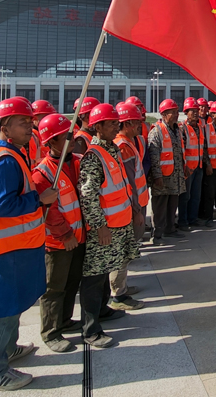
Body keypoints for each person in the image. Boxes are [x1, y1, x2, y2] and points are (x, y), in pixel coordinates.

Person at [0, 97, 54, 392]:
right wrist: (38, 199)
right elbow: (0, 206)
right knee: (2, 311)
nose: (30, 127)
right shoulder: (5, 159)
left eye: (30, 122)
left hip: (18, 246)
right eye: (23, 122)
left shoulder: (14, 153)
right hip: (4, 251)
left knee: (14, 305)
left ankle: (9, 350)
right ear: (5, 126)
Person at [78, 103, 141, 348]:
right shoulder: (93, 156)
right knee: (94, 278)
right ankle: (91, 329)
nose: (117, 125)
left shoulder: (112, 149)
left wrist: (134, 209)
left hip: (119, 225)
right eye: (112, 123)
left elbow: (122, 184)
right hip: (104, 230)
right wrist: (99, 226)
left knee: (106, 272)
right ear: (98, 127)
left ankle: (103, 310)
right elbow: (88, 195)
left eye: (117, 122)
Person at [31, 113, 84, 353]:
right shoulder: (42, 173)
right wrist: (65, 235)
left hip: (79, 237)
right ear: (51, 142)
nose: (71, 140)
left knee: (72, 282)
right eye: (65, 137)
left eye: (71, 135)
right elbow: (51, 213)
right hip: (59, 242)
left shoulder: (77, 161)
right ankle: (51, 332)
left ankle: (64, 320)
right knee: (54, 288)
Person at [110, 102, 149, 311]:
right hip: (131, 208)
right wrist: (136, 211)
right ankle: (118, 295)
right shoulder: (123, 146)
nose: (139, 126)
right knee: (123, 252)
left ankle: (122, 287)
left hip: (137, 204)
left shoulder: (128, 142)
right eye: (136, 123)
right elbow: (129, 182)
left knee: (127, 250)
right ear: (128, 123)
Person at [147, 99, 186, 244]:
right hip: (162, 178)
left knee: (172, 205)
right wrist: (157, 176)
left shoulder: (177, 130)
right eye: (172, 112)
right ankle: (157, 235)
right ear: (163, 114)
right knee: (160, 207)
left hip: (175, 177)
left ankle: (170, 229)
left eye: (177, 112)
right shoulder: (156, 131)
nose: (176, 115)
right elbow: (154, 156)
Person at [178, 97, 205, 230]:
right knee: (185, 197)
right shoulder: (182, 128)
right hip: (188, 169)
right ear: (186, 112)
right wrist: (185, 166)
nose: (195, 113)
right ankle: (183, 221)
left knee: (195, 196)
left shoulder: (201, 128)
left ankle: (192, 219)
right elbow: (181, 150)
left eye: (196, 110)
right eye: (191, 111)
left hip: (198, 168)